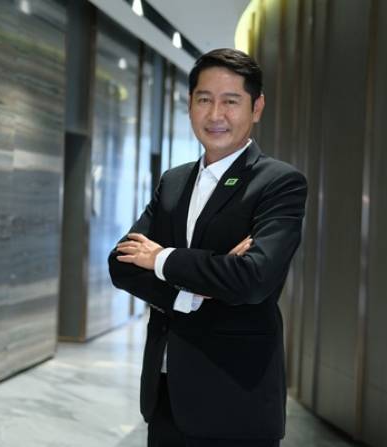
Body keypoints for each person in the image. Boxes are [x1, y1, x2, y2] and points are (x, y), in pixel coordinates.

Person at [108, 48, 307, 447]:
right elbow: (122, 264)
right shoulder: (173, 181)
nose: (215, 114)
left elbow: (252, 279)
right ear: (190, 105)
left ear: (257, 107)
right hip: (165, 393)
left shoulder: (278, 183)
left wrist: (161, 259)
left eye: (231, 101)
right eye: (204, 100)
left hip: (235, 400)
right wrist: (194, 291)